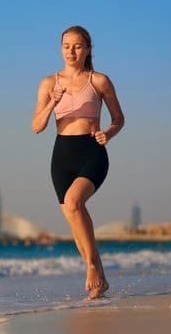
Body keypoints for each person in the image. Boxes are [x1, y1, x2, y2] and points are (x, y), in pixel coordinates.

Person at [31, 25, 125, 300]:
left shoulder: (99, 81)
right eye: (66, 46)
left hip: (92, 150)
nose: (71, 51)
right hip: (62, 155)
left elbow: (119, 118)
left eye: (77, 46)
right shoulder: (48, 83)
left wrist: (107, 133)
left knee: (73, 203)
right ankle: (100, 283)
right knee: (74, 220)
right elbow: (36, 126)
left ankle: (93, 268)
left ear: (87, 49)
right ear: (60, 49)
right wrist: (51, 103)